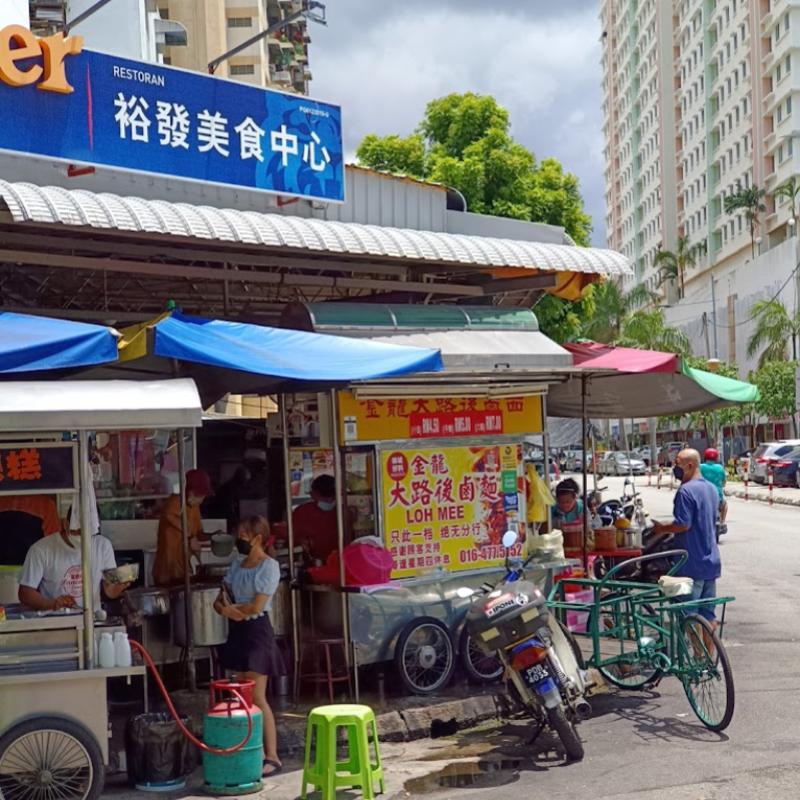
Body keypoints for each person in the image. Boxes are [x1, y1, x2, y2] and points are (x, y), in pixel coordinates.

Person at [214, 516, 284, 777]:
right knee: (236, 695)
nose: (239, 539)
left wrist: (232, 609)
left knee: (257, 696)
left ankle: (272, 756)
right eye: (239, 533)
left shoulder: (270, 566)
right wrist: (225, 610)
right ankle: (245, 749)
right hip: (237, 631)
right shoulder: (236, 564)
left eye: (244, 535)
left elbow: (256, 606)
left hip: (257, 632)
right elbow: (219, 598)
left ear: (257, 538)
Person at [652, 448, 721, 627]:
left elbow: (683, 524)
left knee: (688, 616)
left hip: (690, 564)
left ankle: (695, 655)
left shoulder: (685, 492)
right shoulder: (712, 489)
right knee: (708, 617)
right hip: (710, 563)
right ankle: (708, 655)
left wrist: (662, 529)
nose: (675, 468)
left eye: (677, 464)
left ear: (689, 466)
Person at [18, 507, 129, 611]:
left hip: (92, 621)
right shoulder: (41, 549)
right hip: (56, 621)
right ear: (66, 524)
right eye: (78, 531)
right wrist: (52, 604)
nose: (84, 536)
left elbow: (109, 590)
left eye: (90, 532)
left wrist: (120, 585)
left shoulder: (103, 546)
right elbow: (25, 593)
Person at [153, 469, 212, 586]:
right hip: (167, 574)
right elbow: (170, 516)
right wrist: (190, 537)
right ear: (191, 492)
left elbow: (199, 533)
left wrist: (214, 536)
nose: (203, 499)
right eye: (202, 496)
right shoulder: (175, 502)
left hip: (184, 571)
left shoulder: (194, 508)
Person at [292, 474, 338, 562]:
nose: (328, 501)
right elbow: (293, 537)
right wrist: (301, 541)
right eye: (324, 498)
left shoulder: (344, 512)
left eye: (331, 497)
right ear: (314, 494)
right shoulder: (302, 512)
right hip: (312, 561)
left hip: (340, 561)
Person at [700, 447, 728, 530]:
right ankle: (722, 523)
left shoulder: (700, 467)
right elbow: (724, 482)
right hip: (718, 497)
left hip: (702, 497)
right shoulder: (720, 468)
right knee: (725, 505)